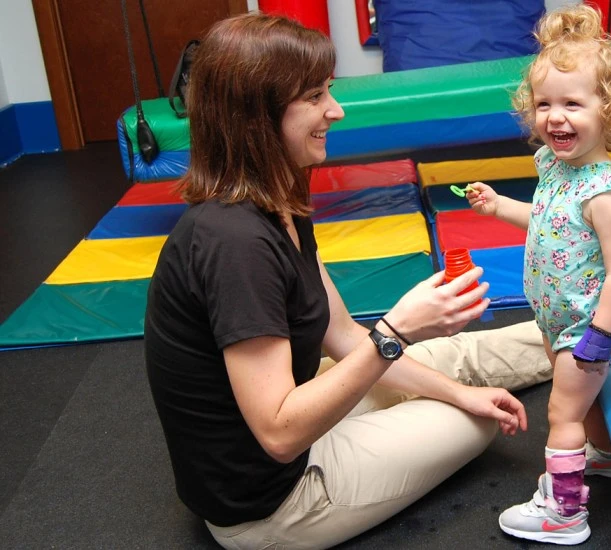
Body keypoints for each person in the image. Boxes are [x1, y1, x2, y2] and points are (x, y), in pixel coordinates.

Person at [143, 13, 552, 550]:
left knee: (455, 366)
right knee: (472, 421)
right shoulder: (233, 243)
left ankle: (587, 337)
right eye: (314, 96)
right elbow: (280, 433)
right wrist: (398, 332)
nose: (334, 110)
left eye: (328, 91)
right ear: (256, 116)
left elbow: (339, 332)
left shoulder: (277, 197)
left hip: (297, 416)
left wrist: (449, 383)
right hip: (274, 503)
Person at [465, 4, 611, 545]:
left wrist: (600, 336)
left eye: (573, 104)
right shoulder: (556, 167)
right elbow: (545, 219)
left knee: (562, 412)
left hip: (587, 326)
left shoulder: (607, 193)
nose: (555, 117)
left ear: (608, 111)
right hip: (553, 314)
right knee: (581, 410)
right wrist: (500, 207)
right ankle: (604, 457)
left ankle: (565, 513)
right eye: (545, 104)